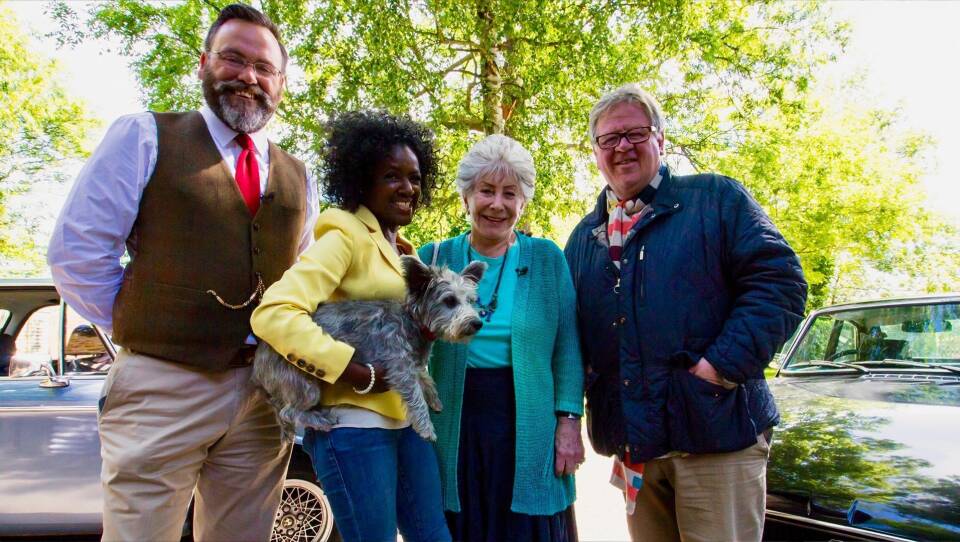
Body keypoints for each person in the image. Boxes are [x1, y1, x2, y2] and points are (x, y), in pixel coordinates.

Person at [46, 5, 318, 541]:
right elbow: (76, 255)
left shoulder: (297, 175)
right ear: (203, 64)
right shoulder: (144, 137)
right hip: (162, 385)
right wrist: (152, 323)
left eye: (264, 68)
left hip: (263, 395)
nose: (248, 76)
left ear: (281, 83)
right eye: (233, 59)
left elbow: (302, 278)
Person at [564, 84, 808, 542]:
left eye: (635, 133)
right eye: (609, 139)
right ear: (595, 151)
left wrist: (718, 369)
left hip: (716, 434)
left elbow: (781, 283)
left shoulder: (716, 199)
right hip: (637, 446)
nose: (622, 147)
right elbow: (572, 335)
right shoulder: (583, 238)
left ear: (660, 138)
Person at [250, 110, 452, 542]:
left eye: (415, 178)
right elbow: (274, 314)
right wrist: (351, 370)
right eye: (392, 176)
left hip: (405, 427)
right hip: (353, 428)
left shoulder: (400, 248)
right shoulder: (344, 235)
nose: (407, 188)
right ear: (362, 181)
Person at [419, 134, 585, 542]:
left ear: (523, 202)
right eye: (486, 191)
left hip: (529, 421)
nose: (497, 203)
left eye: (509, 193)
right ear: (466, 198)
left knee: (527, 526)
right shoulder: (433, 258)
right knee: (461, 523)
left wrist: (568, 422)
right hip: (456, 421)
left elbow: (567, 349)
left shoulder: (547, 259)